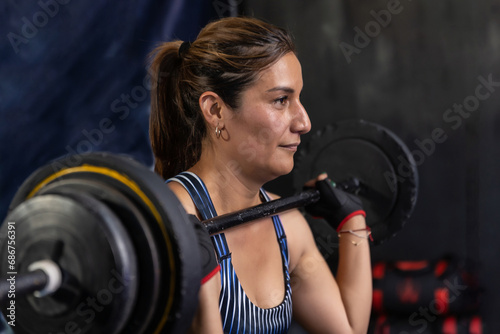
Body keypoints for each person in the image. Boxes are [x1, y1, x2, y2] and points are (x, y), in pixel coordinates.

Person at [148, 16, 372, 334]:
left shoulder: (288, 226)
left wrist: (353, 224)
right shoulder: (172, 218)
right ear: (216, 111)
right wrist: (203, 291)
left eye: (298, 98)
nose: (303, 122)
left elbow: (347, 331)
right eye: (281, 100)